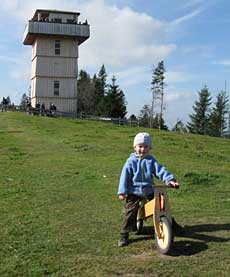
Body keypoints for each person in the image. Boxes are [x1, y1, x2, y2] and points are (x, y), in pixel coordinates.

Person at [117, 132, 179, 247]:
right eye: (140, 146)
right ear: (135, 147)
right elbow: (124, 176)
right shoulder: (130, 161)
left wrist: (170, 180)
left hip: (149, 190)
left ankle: (172, 225)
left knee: (162, 205)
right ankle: (124, 234)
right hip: (133, 191)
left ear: (150, 148)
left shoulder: (151, 160)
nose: (142, 149)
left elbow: (161, 171)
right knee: (130, 211)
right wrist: (122, 192)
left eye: (146, 147)